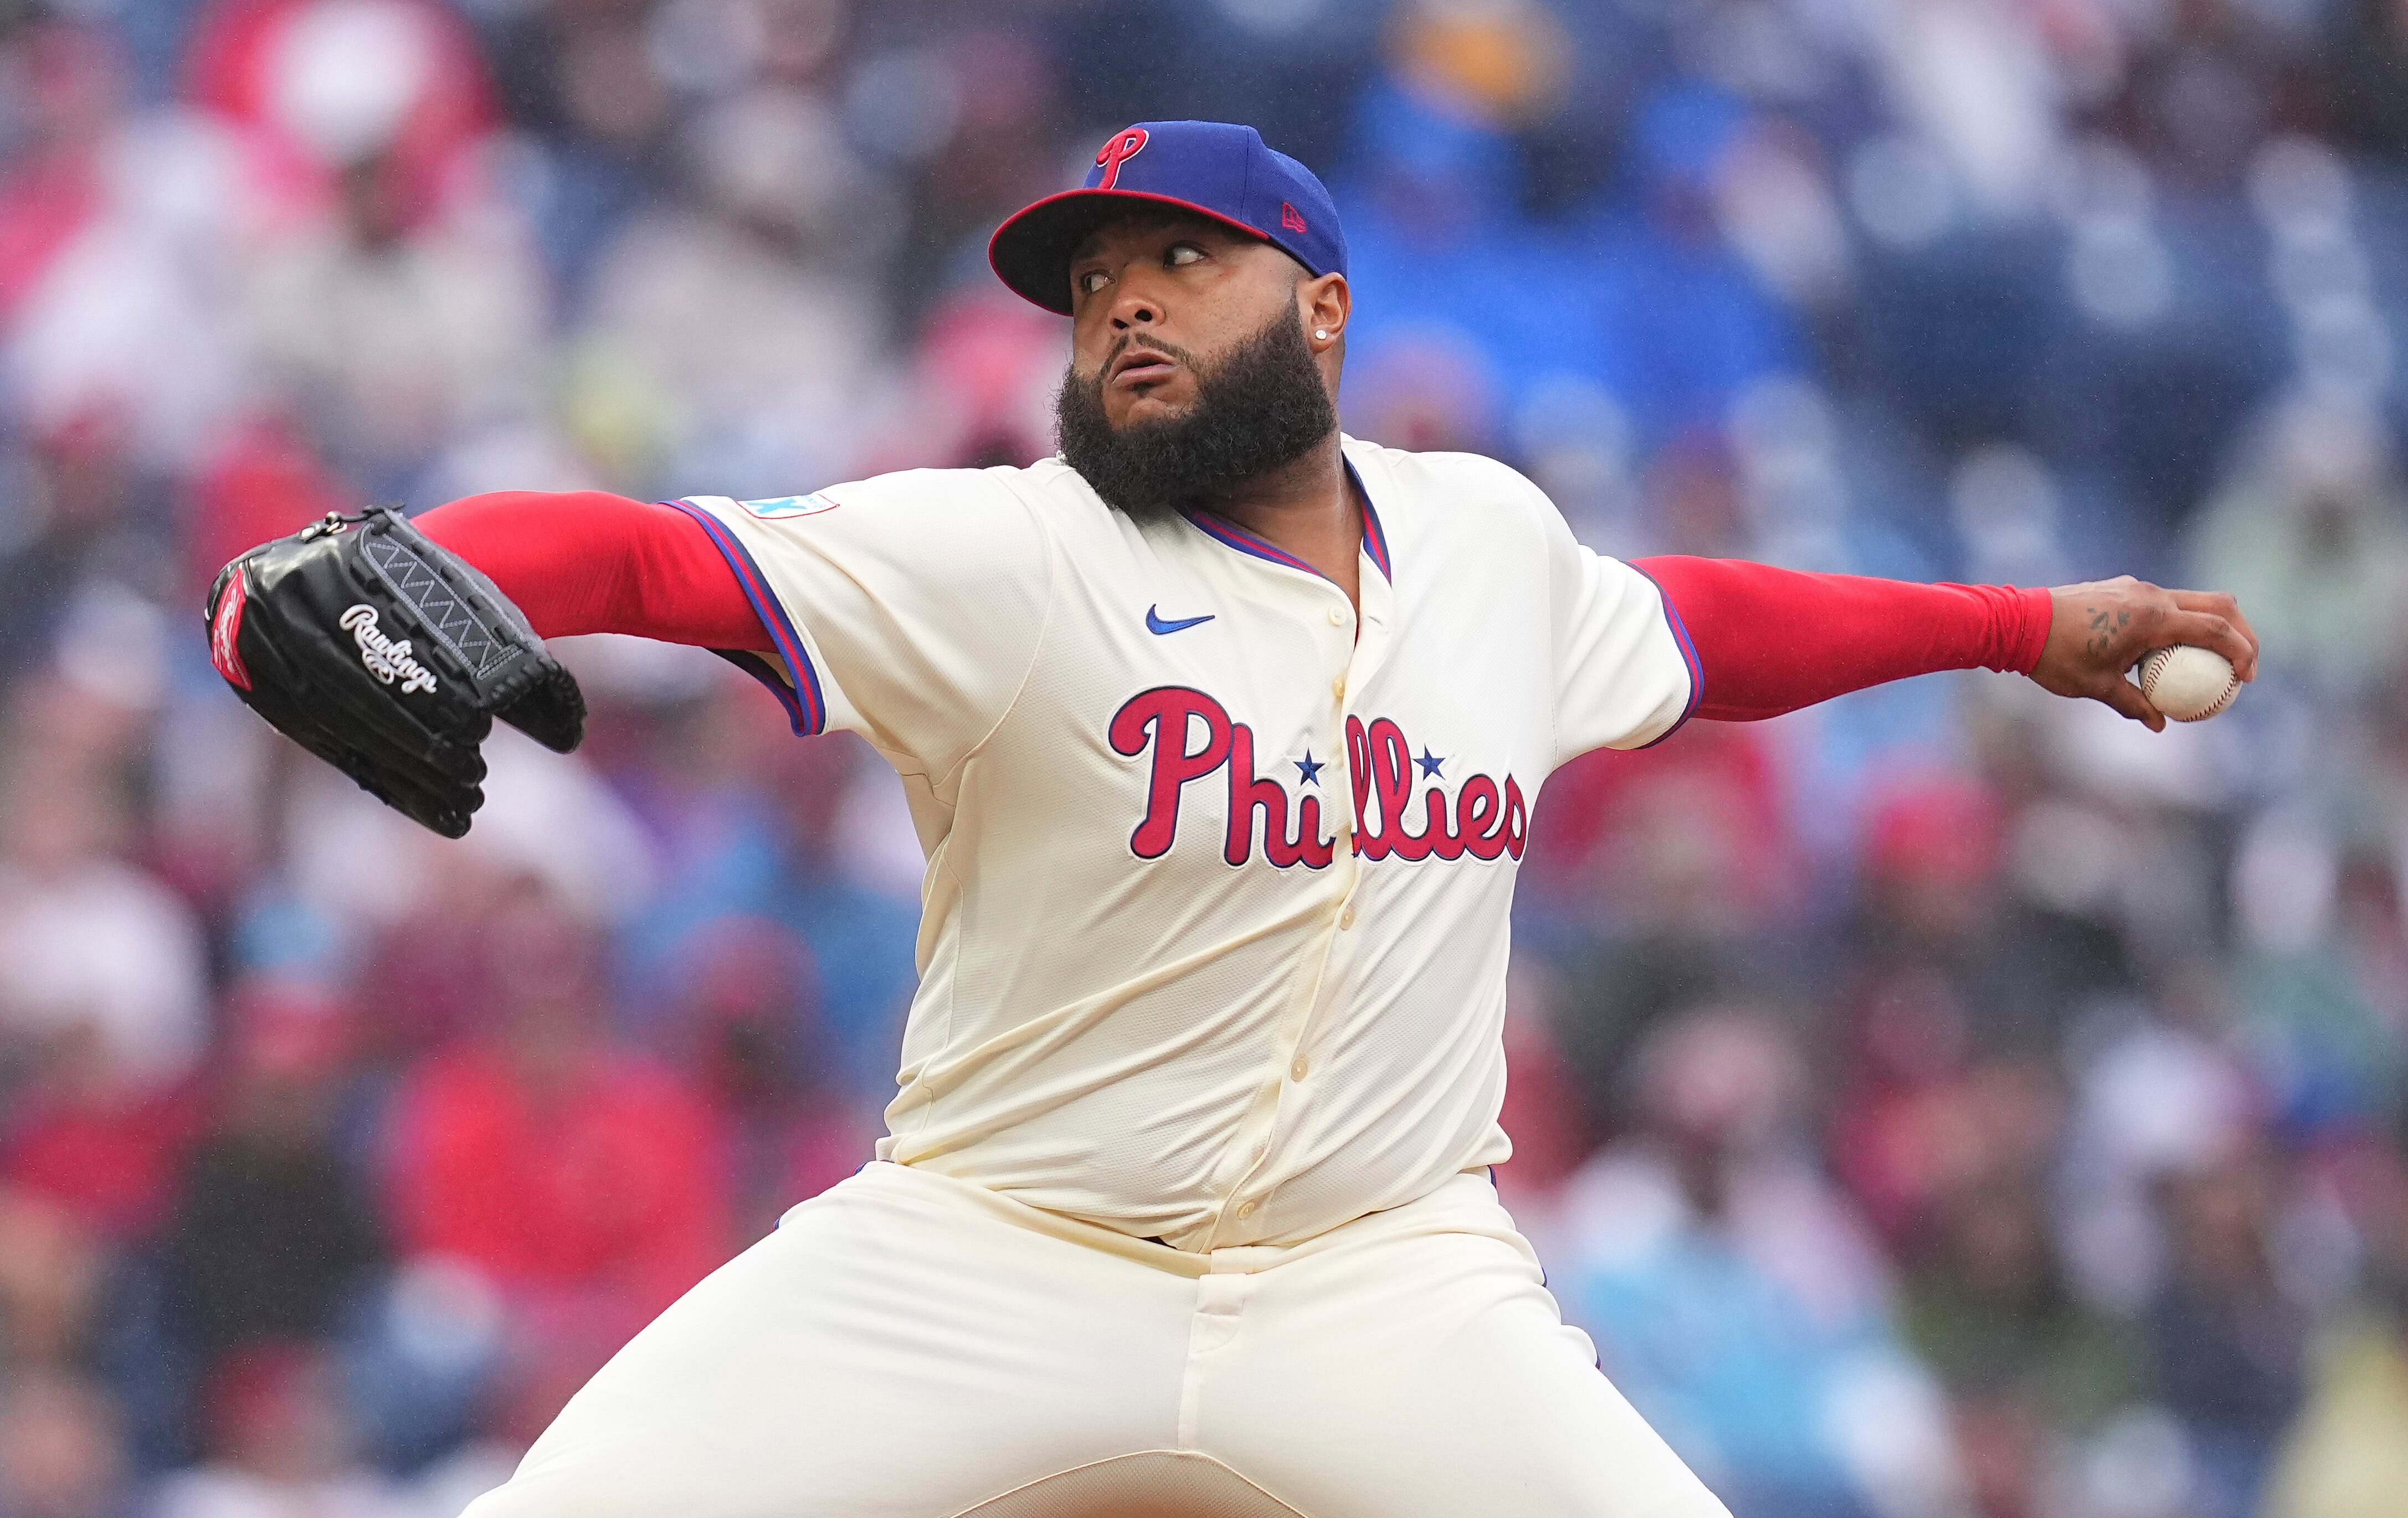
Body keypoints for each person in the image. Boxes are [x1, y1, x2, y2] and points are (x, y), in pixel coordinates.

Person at [232, 121, 2257, 1517]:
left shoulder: (1483, 536)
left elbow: (1694, 625)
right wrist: (404, 552)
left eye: (1179, 264)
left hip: (1385, 1281)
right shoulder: (1009, 559)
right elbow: (656, 555)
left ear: (1321, 312)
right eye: (1092, 280)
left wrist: (2018, 625)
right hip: (986, 1249)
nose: (1119, 305)